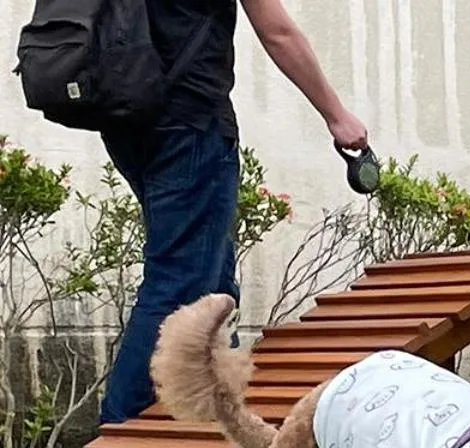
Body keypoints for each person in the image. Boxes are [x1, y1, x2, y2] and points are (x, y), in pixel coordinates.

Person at [98, 0, 369, 426]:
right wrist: (336, 116)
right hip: (189, 123)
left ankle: (223, 422)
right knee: (179, 285)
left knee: (214, 280)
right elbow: (277, 31)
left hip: (126, 120)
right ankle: (115, 435)